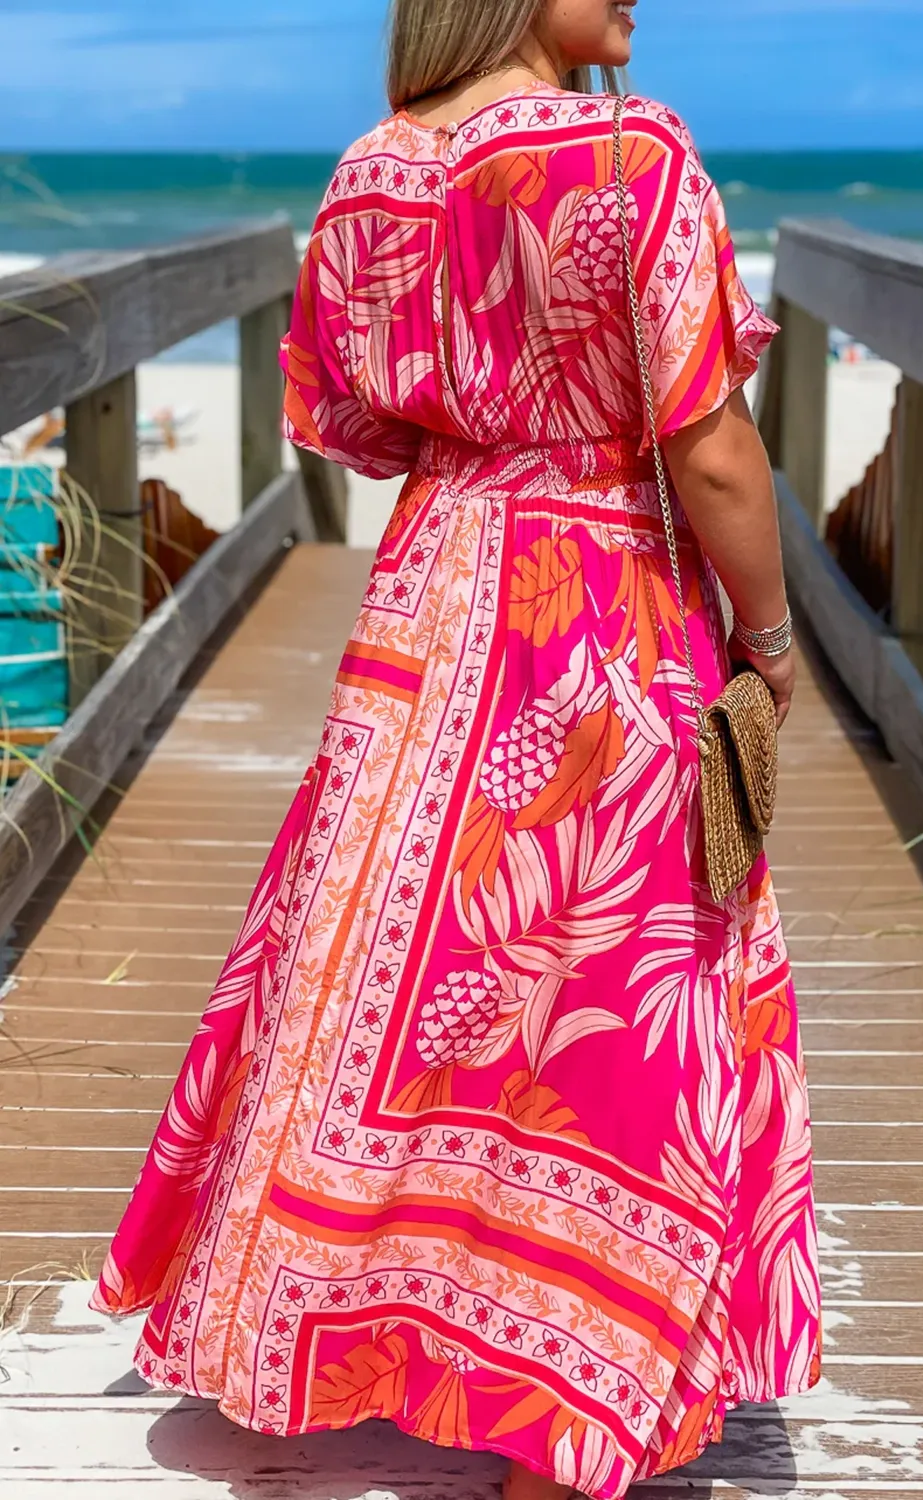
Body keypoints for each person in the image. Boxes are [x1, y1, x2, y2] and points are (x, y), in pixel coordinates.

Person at [91, 3, 820, 1498]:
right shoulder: (633, 151)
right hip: (602, 597)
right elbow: (712, 446)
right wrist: (774, 637)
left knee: (398, 962)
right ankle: (566, 1403)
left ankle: (352, 1322)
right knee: (607, 993)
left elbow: (347, 416)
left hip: (433, 589)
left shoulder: (371, 169)